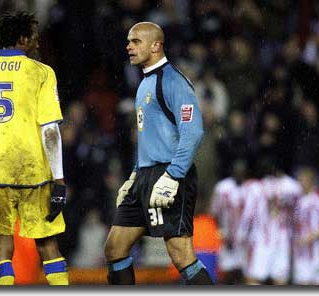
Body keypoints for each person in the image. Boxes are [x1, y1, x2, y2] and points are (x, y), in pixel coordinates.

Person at [0, 11, 69, 285]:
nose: (38, 43)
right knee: (47, 243)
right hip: (34, 171)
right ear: (22, 39)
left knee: (0, 244)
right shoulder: (42, 72)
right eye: (34, 37)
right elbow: (51, 131)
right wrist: (59, 179)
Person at [104, 22, 213, 285]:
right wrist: (134, 175)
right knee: (114, 247)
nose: (129, 46)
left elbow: (193, 132)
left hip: (170, 174)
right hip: (144, 175)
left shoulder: (173, 81)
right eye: (129, 41)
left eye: (136, 41)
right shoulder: (144, 84)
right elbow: (151, 139)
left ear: (156, 46)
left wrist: (173, 176)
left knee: (181, 255)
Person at [293, 167, 319, 285]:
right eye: (299, 180)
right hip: (302, 253)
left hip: (318, 252)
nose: (301, 183)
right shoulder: (297, 199)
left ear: (311, 181)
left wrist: (309, 238)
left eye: (303, 180)